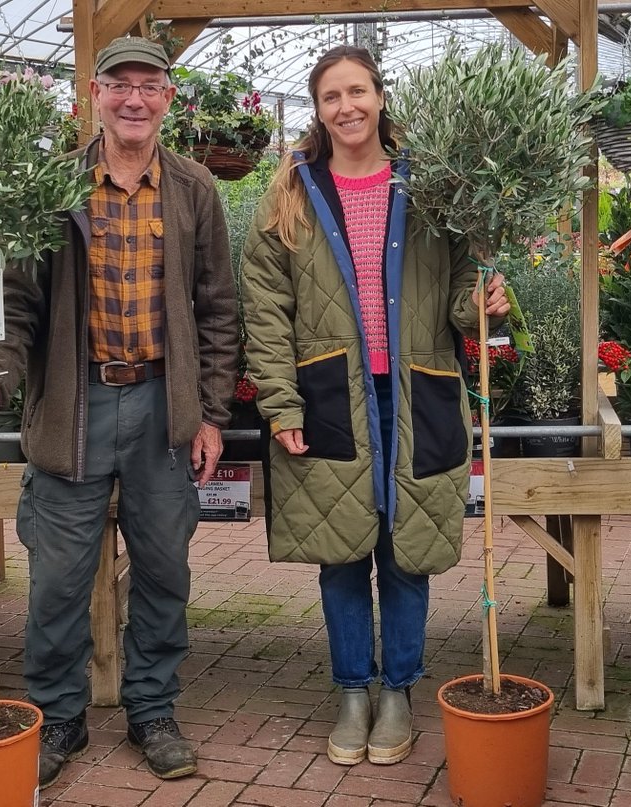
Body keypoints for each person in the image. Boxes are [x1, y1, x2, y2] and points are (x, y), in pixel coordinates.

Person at [0, 36, 238, 788]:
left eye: (149, 85)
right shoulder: (54, 185)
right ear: (95, 94)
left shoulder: (194, 190)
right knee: (57, 577)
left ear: (169, 98)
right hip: (73, 406)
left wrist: (210, 414)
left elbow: (218, 310)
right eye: (119, 84)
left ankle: (152, 709)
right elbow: (15, 303)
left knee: (164, 569)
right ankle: (58, 715)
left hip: (163, 407)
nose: (133, 99)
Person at [239, 45, 509, 767]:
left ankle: (399, 690)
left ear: (380, 97)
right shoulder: (291, 194)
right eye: (331, 96)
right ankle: (352, 689)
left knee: (406, 549)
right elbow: (265, 310)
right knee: (340, 552)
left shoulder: (432, 186)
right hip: (330, 396)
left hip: (417, 390)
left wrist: (484, 299)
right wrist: (281, 405)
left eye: (357, 91)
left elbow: (460, 296)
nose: (346, 107)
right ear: (317, 109)